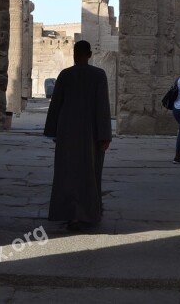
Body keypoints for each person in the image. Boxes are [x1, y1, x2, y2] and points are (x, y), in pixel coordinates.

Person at [44, 40, 112, 232]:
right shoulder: (99, 75)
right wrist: (105, 135)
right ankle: (89, 213)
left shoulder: (65, 75)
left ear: (74, 54)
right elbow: (102, 107)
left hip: (67, 131)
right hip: (91, 133)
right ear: (89, 54)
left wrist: (53, 131)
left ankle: (70, 213)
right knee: (90, 173)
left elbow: (55, 105)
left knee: (67, 173)